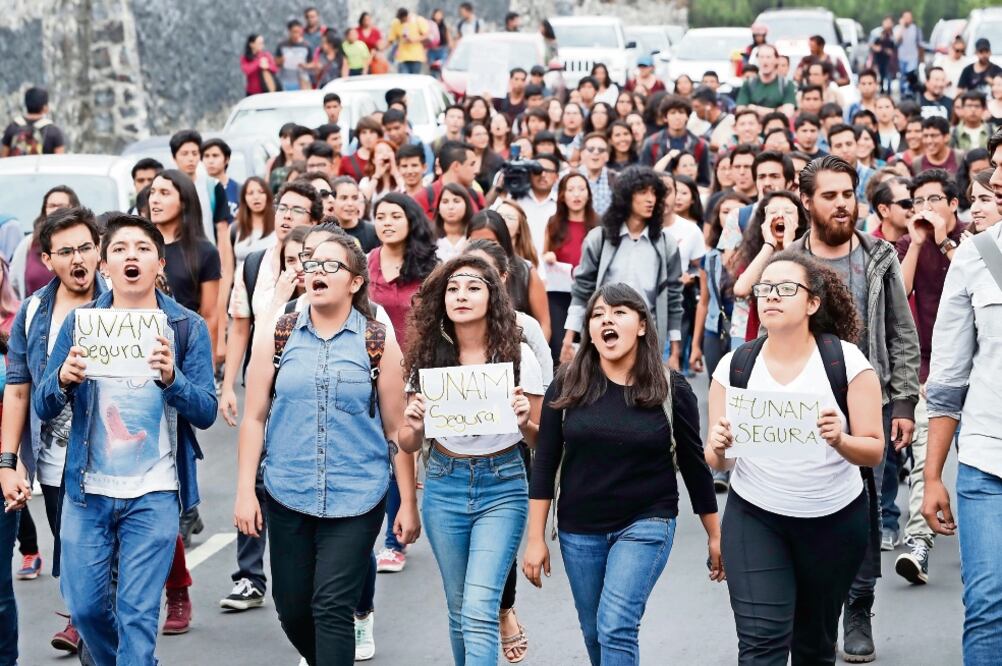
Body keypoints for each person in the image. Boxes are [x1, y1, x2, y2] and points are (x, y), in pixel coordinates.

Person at [34, 213, 216, 665]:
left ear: (159, 264)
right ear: (104, 264)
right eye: (119, 249)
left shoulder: (186, 327)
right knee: (86, 609)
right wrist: (63, 378)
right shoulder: (81, 324)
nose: (130, 256)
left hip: (153, 493)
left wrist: (172, 378)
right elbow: (42, 404)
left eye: (142, 248)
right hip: (86, 492)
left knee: (136, 613)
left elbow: (207, 410)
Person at [235, 228, 419, 665]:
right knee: (292, 608)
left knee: (332, 607)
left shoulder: (377, 340)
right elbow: (255, 417)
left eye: (331, 265)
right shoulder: (278, 332)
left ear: (355, 281)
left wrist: (408, 502)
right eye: (312, 263)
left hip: (357, 496)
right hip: (288, 491)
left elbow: (398, 432)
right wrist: (245, 490)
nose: (317, 271)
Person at [524, 281, 720, 664]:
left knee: (615, 625)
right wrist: (535, 538)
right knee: (594, 629)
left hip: (647, 521)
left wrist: (715, 535)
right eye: (597, 315)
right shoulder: (567, 384)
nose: (605, 321)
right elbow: (545, 463)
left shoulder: (670, 388)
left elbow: (696, 468)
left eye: (618, 313)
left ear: (642, 325)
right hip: (579, 528)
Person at [707, 250, 884, 665]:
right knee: (761, 645)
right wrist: (717, 445)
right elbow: (719, 462)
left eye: (786, 289)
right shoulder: (735, 367)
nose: (771, 296)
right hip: (756, 516)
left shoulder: (845, 361)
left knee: (813, 646)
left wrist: (840, 440)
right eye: (765, 289)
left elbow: (874, 450)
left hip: (834, 521)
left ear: (812, 303)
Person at [790, 156, 920, 662]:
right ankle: (812, 609)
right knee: (807, 509)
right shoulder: (790, 262)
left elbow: (901, 333)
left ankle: (858, 607)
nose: (843, 203)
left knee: (864, 513)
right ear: (807, 201)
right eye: (830, 195)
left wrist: (904, 401)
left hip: (871, 406)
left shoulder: (879, 255)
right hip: (803, 406)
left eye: (848, 193)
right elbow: (766, 332)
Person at [399, 254, 543, 665]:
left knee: (480, 607)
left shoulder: (518, 356)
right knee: (461, 608)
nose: (461, 295)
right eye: (453, 288)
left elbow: (544, 440)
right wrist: (412, 423)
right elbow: (407, 443)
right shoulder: (428, 358)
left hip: (503, 483)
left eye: (473, 287)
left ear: (493, 297)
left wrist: (524, 423)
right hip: (444, 483)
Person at [1, 207, 104, 656]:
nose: (78, 258)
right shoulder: (34, 311)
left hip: (126, 467)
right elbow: (19, 392)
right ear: (48, 260)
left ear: (99, 249)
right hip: (59, 468)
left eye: (85, 247)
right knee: (82, 588)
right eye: (66, 251)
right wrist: (10, 461)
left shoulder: (126, 301)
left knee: (113, 589)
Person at [921, 129, 1002, 666]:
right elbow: (948, 379)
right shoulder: (975, 256)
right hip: (985, 461)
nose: (995, 178)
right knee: (988, 605)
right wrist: (930, 477)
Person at [890, 169, 967, 588]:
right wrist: (918, 243)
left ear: (954, 204)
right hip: (927, 368)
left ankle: (979, 541)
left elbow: (985, 278)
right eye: (917, 203)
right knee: (925, 458)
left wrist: (944, 240)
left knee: (980, 462)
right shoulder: (907, 243)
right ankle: (918, 542)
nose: (924, 209)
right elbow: (898, 299)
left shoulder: (976, 237)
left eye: (934, 200)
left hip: (979, 368)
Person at [368, 193, 438, 575]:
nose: (387, 222)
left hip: (417, 369)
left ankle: (395, 540)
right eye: (380, 216)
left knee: (401, 449)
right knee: (379, 451)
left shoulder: (430, 265)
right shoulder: (364, 265)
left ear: (411, 220)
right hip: (372, 366)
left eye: (396, 215)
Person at [561, 166, 684, 368]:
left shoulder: (666, 244)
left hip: (648, 335)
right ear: (626, 196)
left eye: (654, 193)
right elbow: (582, 289)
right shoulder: (599, 239)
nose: (650, 199)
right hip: (605, 333)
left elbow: (673, 298)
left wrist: (675, 349)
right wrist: (570, 336)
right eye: (643, 192)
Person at [467, 211, 550, 341]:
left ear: (503, 241)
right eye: (475, 242)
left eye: (490, 242)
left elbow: (544, 325)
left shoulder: (526, 272)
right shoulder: (458, 275)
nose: (481, 249)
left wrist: (531, 356)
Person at [542, 173, 598, 360]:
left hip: (590, 293)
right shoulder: (553, 223)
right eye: (571, 190)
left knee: (588, 349)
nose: (576, 195)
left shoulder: (598, 225)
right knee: (560, 348)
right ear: (562, 195)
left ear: (589, 194)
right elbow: (545, 253)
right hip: (559, 293)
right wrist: (548, 256)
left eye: (581, 189)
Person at [9, 185, 79, 299]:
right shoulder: (29, 243)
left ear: (73, 208)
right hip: (35, 314)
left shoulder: (85, 243)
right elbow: (13, 285)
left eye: (61, 206)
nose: (56, 209)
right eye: (51, 206)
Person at [412, 141, 485, 220]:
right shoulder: (423, 198)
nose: (476, 171)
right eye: (472, 164)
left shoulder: (477, 197)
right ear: (456, 166)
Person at [1, 87, 65, 157]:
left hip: (18, 167)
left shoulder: (12, 128)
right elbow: (59, 162)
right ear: (45, 107)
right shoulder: (54, 131)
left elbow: (3, 159)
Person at [735, 45, 796, 118]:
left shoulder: (786, 84)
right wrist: (777, 111)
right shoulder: (748, 84)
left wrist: (754, 108)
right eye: (761, 57)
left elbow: (787, 114)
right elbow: (740, 111)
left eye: (768, 57)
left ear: (776, 60)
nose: (765, 61)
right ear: (757, 59)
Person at [230, 177, 275, 268]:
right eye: (250, 193)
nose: (256, 197)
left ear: (268, 196)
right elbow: (227, 269)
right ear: (244, 198)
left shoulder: (280, 225)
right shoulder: (234, 228)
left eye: (261, 192)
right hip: (241, 281)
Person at [330, 177, 381, 252]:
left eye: (354, 198)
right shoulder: (324, 232)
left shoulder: (372, 232)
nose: (350, 203)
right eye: (344, 198)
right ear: (332, 200)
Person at [202, 138, 241, 218]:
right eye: (206, 156)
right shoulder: (199, 189)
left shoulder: (239, 189)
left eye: (215, 156)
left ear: (226, 159)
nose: (210, 161)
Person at [578, 133, 615, 216]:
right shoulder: (567, 177)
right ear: (582, 154)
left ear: (607, 156)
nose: (596, 152)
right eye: (591, 149)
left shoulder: (617, 179)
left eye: (601, 150)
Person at [359, 139, 403, 205]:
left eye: (388, 151)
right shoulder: (366, 181)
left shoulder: (402, 179)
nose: (385, 154)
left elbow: (408, 194)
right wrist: (377, 175)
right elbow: (362, 200)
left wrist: (395, 173)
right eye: (380, 152)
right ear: (373, 160)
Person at [340, 117, 383, 182]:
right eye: (363, 132)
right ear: (358, 135)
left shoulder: (385, 158)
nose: (368, 137)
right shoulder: (346, 161)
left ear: (379, 135)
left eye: (372, 132)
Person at [387, 8, 429, 75]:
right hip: (403, 57)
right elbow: (391, 39)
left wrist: (414, 39)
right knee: (404, 79)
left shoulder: (417, 20)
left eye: (402, 19)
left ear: (406, 16)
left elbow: (426, 35)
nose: (401, 21)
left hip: (416, 56)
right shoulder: (396, 23)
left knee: (414, 79)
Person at [275, 19, 314, 91]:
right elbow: (276, 62)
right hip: (285, 81)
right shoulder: (282, 45)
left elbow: (312, 63)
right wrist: (282, 60)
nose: (296, 35)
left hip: (301, 81)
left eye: (299, 32)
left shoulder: (306, 46)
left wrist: (305, 65)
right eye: (294, 32)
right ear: (289, 31)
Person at [895, 11, 924, 99]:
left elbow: (920, 44)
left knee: (911, 76)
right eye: (905, 17)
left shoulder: (916, 29)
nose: (907, 19)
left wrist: (921, 59)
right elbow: (896, 41)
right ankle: (903, 95)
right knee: (903, 77)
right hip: (902, 58)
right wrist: (902, 27)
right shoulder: (898, 28)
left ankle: (912, 93)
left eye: (909, 17)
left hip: (913, 57)